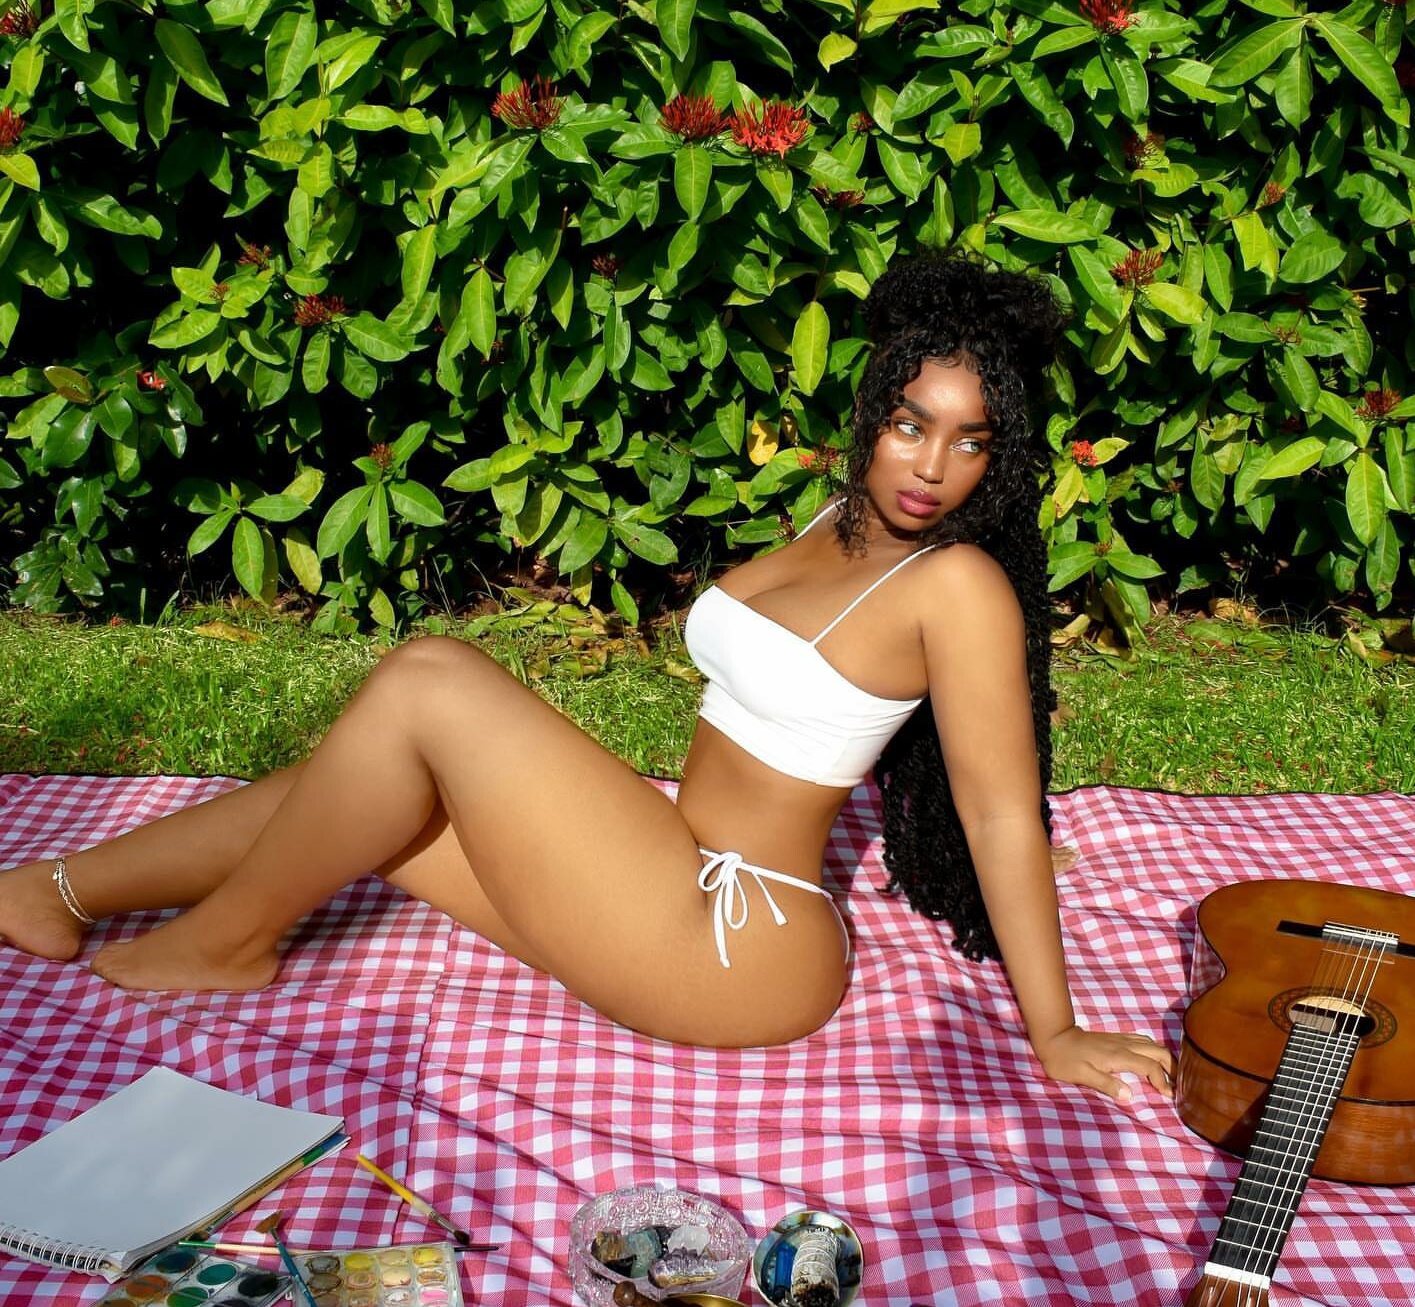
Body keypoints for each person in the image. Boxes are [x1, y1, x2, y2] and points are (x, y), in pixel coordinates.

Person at [0, 254, 1171, 1102]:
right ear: (873, 413)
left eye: (970, 441)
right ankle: (57, 892)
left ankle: (224, 944)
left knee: (432, 680)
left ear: (999, 458)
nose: (932, 464)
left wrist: (1056, 1030)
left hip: (738, 940)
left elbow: (1000, 814)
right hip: (665, 872)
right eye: (913, 425)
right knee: (367, 795)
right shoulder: (838, 520)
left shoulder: (955, 585)